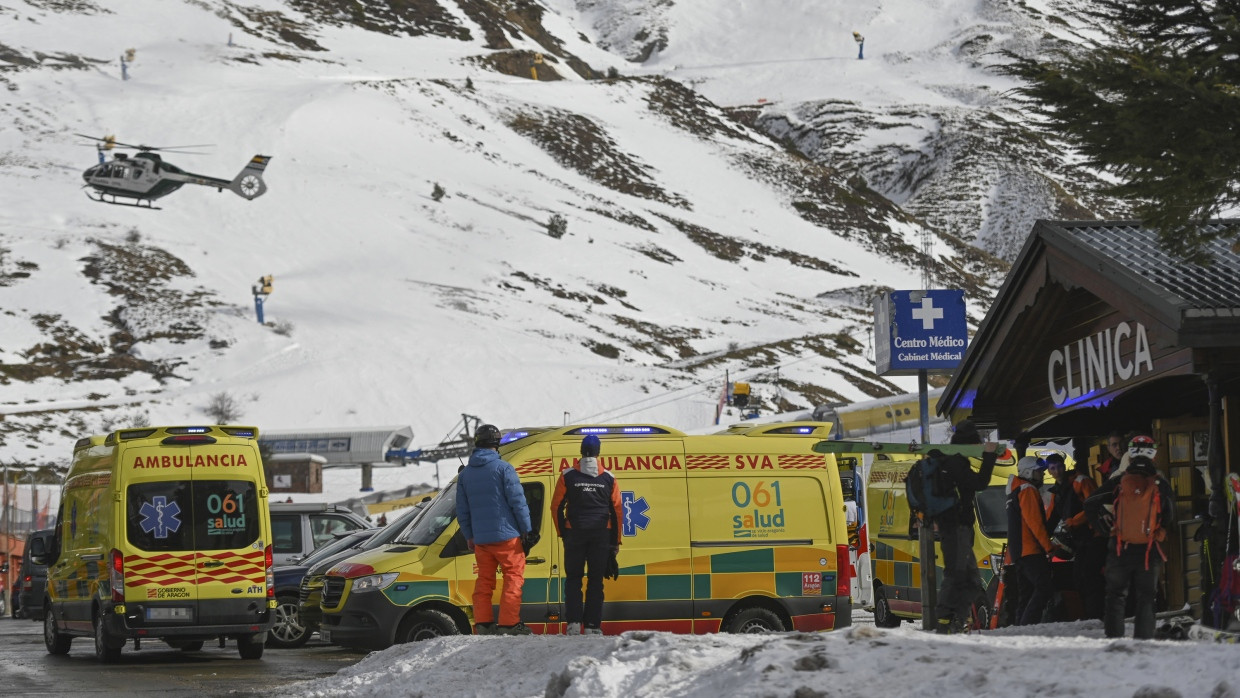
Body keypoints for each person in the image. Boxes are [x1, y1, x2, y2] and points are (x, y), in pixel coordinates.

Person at [1084, 436, 1174, 639]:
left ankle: (1114, 638)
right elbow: (1169, 514)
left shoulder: (1119, 480)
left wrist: (1105, 527)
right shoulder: (1160, 482)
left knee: (1116, 595)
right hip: (1149, 549)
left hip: (1119, 546)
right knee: (1146, 596)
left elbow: (1090, 502)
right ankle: (1144, 638)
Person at [456, 423, 537, 636]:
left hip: (482, 539)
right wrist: (527, 530)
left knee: (484, 581)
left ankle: (483, 623)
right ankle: (509, 624)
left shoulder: (465, 475)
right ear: (496, 444)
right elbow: (518, 502)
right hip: (507, 536)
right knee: (513, 577)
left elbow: (462, 510)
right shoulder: (504, 468)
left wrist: (469, 536)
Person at [925, 418, 999, 633]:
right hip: (957, 529)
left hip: (956, 529)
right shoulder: (955, 464)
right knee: (957, 575)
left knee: (972, 580)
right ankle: (947, 622)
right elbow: (980, 483)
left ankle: (957, 620)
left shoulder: (948, 462)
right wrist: (989, 455)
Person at [551, 434, 623, 636]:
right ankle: (592, 626)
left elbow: (556, 506)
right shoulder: (609, 478)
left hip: (575, 534)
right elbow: (617, 510)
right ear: (598, 453)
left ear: (581, 452)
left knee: (574, 579)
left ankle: (573, 624)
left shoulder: (567, 476)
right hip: (601, 535)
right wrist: (615, 542)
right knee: (595, 580)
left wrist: (563, 532)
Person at [1045, 452, 1104, 619]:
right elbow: (1051, 518)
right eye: (1053, 468)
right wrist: (1042, 539)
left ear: (1064, 466)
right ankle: (1089, 614)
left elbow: (1093, 506)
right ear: (1049, 472)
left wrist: (1073, 522)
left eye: (1059, 466)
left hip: (1094, 536)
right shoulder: (1057, 492)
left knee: (1090, 577)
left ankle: (1095, 615)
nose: (1057, 471)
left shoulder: (1080, 481)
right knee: (1080, 578)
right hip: (1080, 541)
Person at [1008, 456, 1054, 625]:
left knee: (1026, 594)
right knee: (1044, 587)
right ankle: (1028, 624)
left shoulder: (1015, 490)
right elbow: (1035, 522)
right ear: (1029, 472)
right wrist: (1048, 547)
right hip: (1030, 550)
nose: (1042, 475)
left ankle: (1020, 627)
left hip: (1018, 552)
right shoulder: (1027, 490)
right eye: (1039, 472)